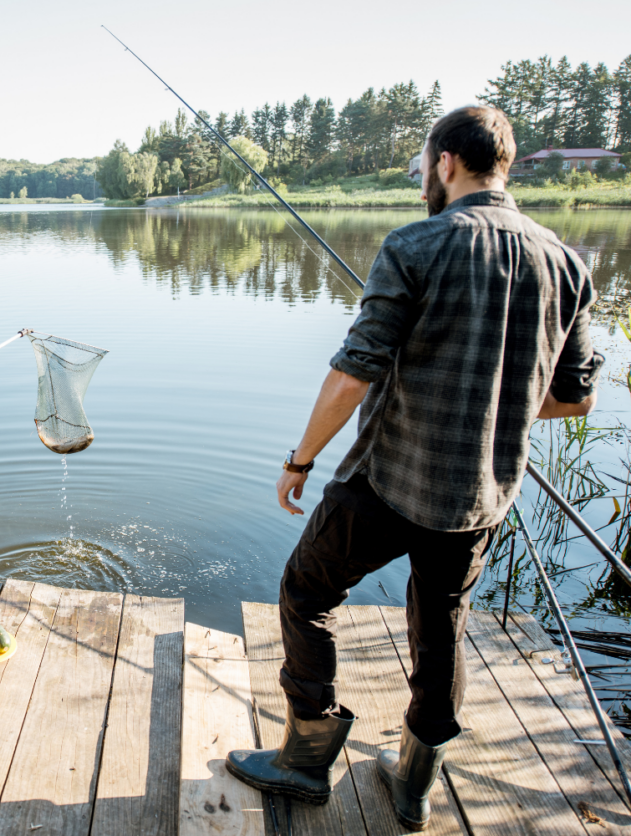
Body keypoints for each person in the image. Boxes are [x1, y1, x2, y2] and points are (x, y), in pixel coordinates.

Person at [225, 107, 603, 830]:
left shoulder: (417, 245)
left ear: (448, 163)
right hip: (480, 497)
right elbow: (572, 399)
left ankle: (306, 762)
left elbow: (350, 376)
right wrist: (499, 407)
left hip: (388, 482)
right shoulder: (568, 262)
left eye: (426, 163)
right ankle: (415, 784)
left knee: (307, 590)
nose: (425, 177)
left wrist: (299, 460)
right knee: (443, 627)